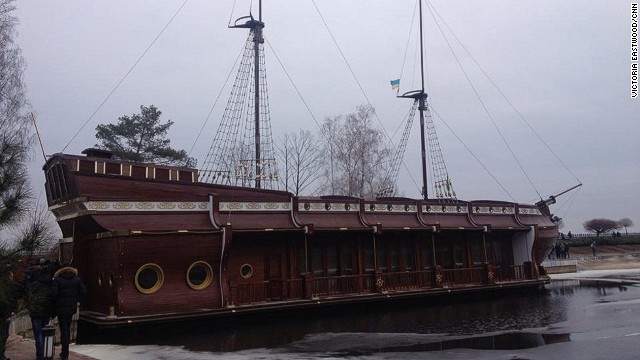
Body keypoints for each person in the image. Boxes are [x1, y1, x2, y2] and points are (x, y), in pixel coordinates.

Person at [53, 265, 86, 360]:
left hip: (61, 309)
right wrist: (76, 300)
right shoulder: (77, 280)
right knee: (67, 328)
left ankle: (64, 353)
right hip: (71, 308)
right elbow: (84, 292)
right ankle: (65, 352)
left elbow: (54, 294)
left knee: (64, 330)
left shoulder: (58, 280)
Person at [25, 265, 56, 360]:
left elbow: (28, 297)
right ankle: (45, 352)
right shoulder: (52, 284)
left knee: (38, 333)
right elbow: (54, 298)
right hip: (46, 312)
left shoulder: (34, 284)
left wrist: (30, 308)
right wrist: (52, 312)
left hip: (35, 312)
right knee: (44, 333)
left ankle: (40, 355)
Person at [0, 271, 24, 360]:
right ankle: (1, 354)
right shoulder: (11, 287)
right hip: (5, 314)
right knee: (3, 334)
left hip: (5, 313)